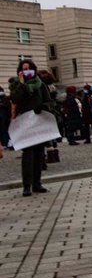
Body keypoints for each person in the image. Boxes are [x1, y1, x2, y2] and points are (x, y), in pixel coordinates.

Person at [9, 60, 52, 196]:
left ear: (33, 70)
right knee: (28, 153)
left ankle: (37, 183)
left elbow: (49, 101)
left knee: (39, 153)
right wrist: (22, 84)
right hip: (25, 121)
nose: (26, 71)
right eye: (24, 69)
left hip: (39, 121)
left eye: (29, 69)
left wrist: (44, 107)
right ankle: (26, 185)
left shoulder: (40, 84)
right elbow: (15, 99)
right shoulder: (16, 84)